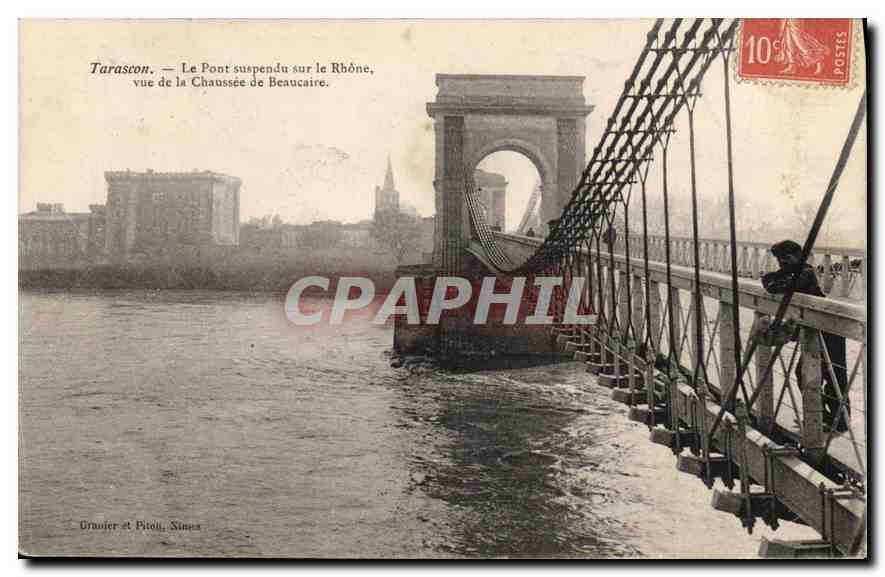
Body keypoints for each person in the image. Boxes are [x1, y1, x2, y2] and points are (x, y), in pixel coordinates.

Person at [761, 240, 849, 432]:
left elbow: (781, 286)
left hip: (830, 330)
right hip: (817, 331)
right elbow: (767, 281)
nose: (782, 264)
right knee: (806, 373)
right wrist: (784, 272)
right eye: (779, 261)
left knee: (833, 376)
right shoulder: (796, 272)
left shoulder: (806, 273)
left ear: (797, 256)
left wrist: (783, 274)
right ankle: (823, 416)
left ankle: (839, 421)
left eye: (785, 259)